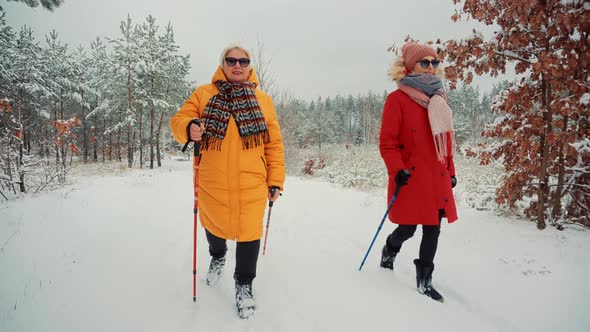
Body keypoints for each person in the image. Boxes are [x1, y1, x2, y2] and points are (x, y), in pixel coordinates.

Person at [170, 43, 285, 319]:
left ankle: (244, 284)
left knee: (249, 232)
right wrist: (189, 127)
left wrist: (275, 180)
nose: (237, 65)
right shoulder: (204, 94)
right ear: (222, 64)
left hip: (252, 182)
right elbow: (179, 120)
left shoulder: (264, 100)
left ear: (249, 66)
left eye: (243, 61)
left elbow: (274, 144)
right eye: (231, 60)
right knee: (213, 224)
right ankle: (218, 255)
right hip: (212, 179)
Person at [378, 41, 458, 303]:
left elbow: (446, 141)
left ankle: (424, 281)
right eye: (425, 62)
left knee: (433, 229)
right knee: (408, 227)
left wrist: (451, 171)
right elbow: (387, 143)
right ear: (410, 65)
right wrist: (397, 170)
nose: (432, 67)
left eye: (435, 62)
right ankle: (390, 249)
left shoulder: (440, 99)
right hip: (411, 177)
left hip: (436, 176)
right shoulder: (397, 99)